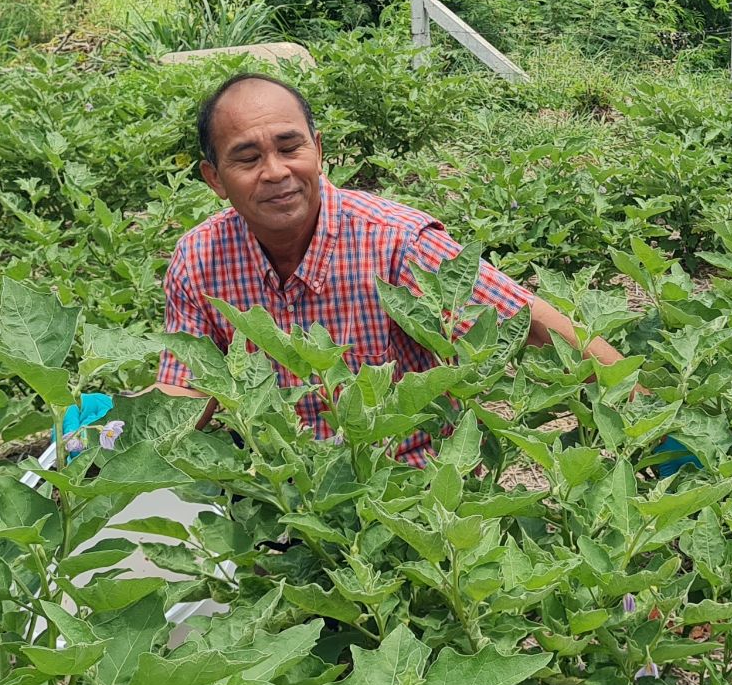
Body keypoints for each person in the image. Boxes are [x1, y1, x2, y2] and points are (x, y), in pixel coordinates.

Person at [154, 71, 625, 463]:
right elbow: (189, 390)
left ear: (317, 150)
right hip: (276, 497)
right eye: (248, 158)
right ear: (214, 178)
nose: (276, 171)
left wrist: (641, 409)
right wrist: (114, 434)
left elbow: (530, 324)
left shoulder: (397, 243)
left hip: (408, 490)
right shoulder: (200, 258)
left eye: (289, 147)